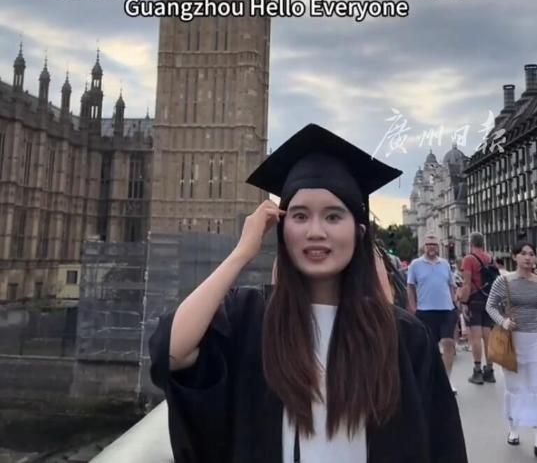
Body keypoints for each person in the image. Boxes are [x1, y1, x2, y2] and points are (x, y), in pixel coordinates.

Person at [149, 124, 467, 463]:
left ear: (358, 232)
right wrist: (242, 252)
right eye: (300, 216)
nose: (316, 231)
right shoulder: (250, 318)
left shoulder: (404, 336)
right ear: (281, 229)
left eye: (333, 216)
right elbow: (172, 352)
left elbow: (441, 446)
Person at [486, 241, 537, 453]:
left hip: (535, 340)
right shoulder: (504, 281)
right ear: (514, 257)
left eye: (532, 254)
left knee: (535, 388)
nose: (528, 257)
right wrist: (503, 322)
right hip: (512, 341)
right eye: (523, 253)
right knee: (514, 388)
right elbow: (490, 306)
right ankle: (513, 429)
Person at [406, 234, 458, 393]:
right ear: (424, 247)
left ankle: (447, 380)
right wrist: (413, 307)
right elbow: (410, 286)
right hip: (425, 311)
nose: (431, 247)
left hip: (446, 310)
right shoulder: (416, 264)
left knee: (449, 343)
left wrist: (454, 303)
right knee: (430, 348)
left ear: (438, 247)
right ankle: (430, 380)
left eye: (434, 244)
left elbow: (451, 285)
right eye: (428, 244)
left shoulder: (445, 264)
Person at [460, 232, 498, 384]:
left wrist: (464, 303)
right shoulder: (490, 258)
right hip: (489, 300)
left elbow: (467, 283)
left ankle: (477, 372)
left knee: (475, 336)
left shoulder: (469, 259)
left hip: (475, 299)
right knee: (488, 336)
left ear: (471, 243)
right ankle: (490, 371)